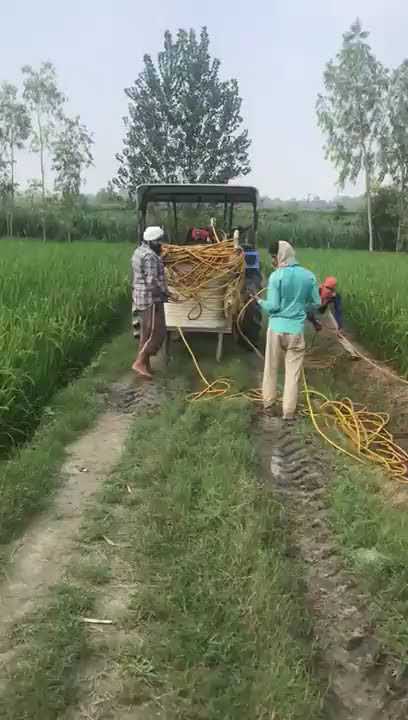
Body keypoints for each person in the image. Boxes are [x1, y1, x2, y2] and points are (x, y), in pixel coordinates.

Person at [258, 240, 320, 420]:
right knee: (292, 373)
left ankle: (269, 405)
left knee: (271, 367)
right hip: (296, 332)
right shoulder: (309, 276)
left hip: (276, 329)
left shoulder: (276, 277)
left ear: (279, 256)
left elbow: (274, 307)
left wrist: (259, 301)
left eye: (273, 256)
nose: (273, 260)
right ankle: (288, 412)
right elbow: (316, 303)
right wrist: (301, 307)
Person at [131, 226, 169, 379]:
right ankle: (139, 362)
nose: (161, 244)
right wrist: (165, 293)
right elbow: (152, 281)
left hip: (140, 297)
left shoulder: (139, 251)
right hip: (151, 299)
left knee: (146, 333)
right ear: (152, 241)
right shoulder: (150, 257)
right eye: (159, 242)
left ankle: (145, 365)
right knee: (158, 333)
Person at [307, 276, 359, 358]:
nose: (328, 291)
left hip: (324, 313)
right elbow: (308, 312)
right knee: (299, 328)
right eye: (327, 288)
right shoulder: (314, 292)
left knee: (337, 331)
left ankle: (353, 353)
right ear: (323, 286)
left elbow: (338, 311)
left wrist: (340, 326)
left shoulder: (335, 296)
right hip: (310, 310)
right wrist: (315, 323)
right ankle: (300, 350)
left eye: (331, 289)